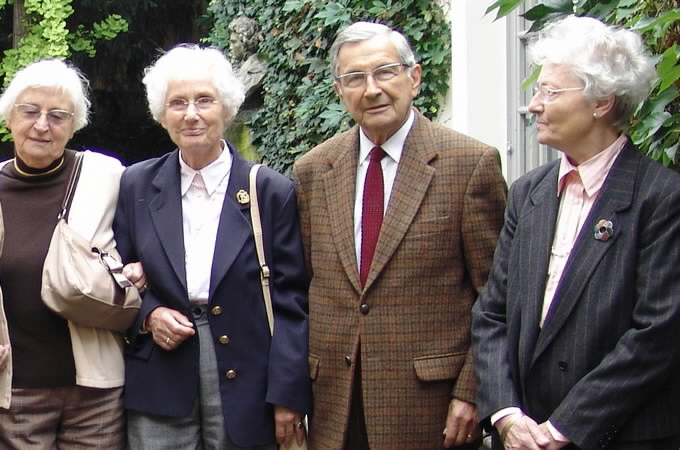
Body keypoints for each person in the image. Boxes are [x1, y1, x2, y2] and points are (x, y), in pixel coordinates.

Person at [292, 21, 507, 449]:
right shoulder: (313, 170)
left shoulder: (469, 164)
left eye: (385, 72)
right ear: (339, 90)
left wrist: (471, 390)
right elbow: (302, 287)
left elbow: (498, 295)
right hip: (335, 403)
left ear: (414, 77)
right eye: (355, 78)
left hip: (430, 406)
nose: (371, 89)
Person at [472, 15, 680, 450]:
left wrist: (563, 428)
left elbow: (658, 332)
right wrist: (506, 415)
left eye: (550, 92)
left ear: (601, 102)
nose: (534, 105)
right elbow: (492, 314)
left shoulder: (661, 197)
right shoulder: (528, 192)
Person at [113, 44, 310, 450]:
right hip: (160, 376)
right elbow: (115, 273)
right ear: (161, 114)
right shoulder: (136, 184)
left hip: (249, 377)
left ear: (227, 108)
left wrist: (288, 393)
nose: (191, 114)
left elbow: (291, 300)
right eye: (177, 103)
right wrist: (148, 316)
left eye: (204, 100)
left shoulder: (269, 191)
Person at [0, 58, 140, 448]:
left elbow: (149, 240)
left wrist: (140, 267)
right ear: (9, 118)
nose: (42, 125)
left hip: (97, 392)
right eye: (30, 111)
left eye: (57, 115)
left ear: (75, 124)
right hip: (16, 391)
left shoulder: (106, 176)